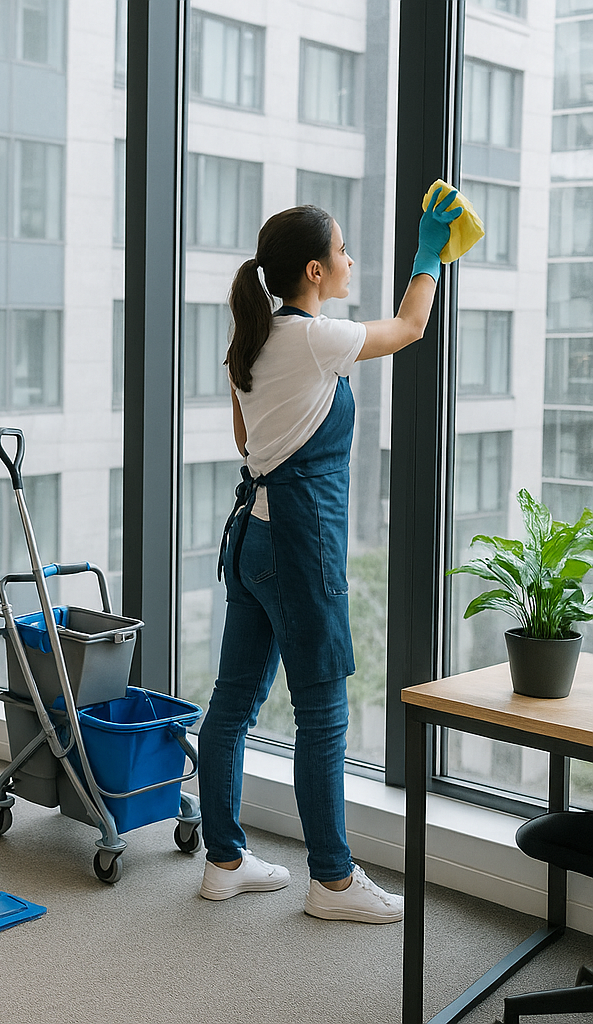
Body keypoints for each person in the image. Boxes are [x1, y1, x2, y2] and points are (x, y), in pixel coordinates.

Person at [197, 188, 462, 923]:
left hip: (249, 537)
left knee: (232, 703)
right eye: (343, 250)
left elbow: (249, 446)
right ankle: (333, 882)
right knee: (322, 713)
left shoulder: (248, 341)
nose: (350, 260)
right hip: (296, 546)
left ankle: (223, 860)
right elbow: (410, 327)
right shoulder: (314, 338)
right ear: (314, 270)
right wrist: (428, 256)